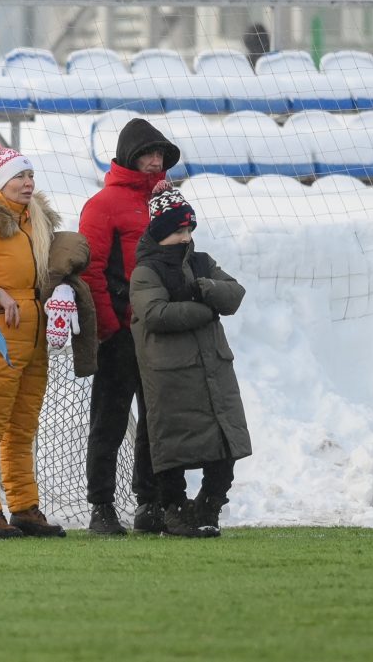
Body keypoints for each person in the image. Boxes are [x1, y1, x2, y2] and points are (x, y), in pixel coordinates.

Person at [0, 140, 96, 539]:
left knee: (22, 430)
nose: (28, 183)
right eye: (19, 177)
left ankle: (24, 509)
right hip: (0, 338)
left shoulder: (32, 220)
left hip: (35, 338)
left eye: (30, 175)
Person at [129, 186, 252, 537]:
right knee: (172, 447)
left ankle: (208, 506)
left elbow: (234, 293)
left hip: (213, 369)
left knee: (225, 445)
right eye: (178, 230)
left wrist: (205, 289)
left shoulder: (203, 262)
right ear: (160, 232)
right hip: (171, 375)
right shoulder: (146, 272)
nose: (185, 237)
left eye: (188, 229)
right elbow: (156, 314)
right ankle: (175, 510)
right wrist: (205, 309)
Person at [78, 117, 180, 536]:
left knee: (158, 420)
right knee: (109, 421)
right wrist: (109, 326)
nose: (155, 161)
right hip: (120, 332)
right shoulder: (102, 205)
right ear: (128, 157)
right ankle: (101, 507)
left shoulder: (168, 200)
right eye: (146, 154)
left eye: (159, 154)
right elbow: (91, 271)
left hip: (158, 330)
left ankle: (149, 503)